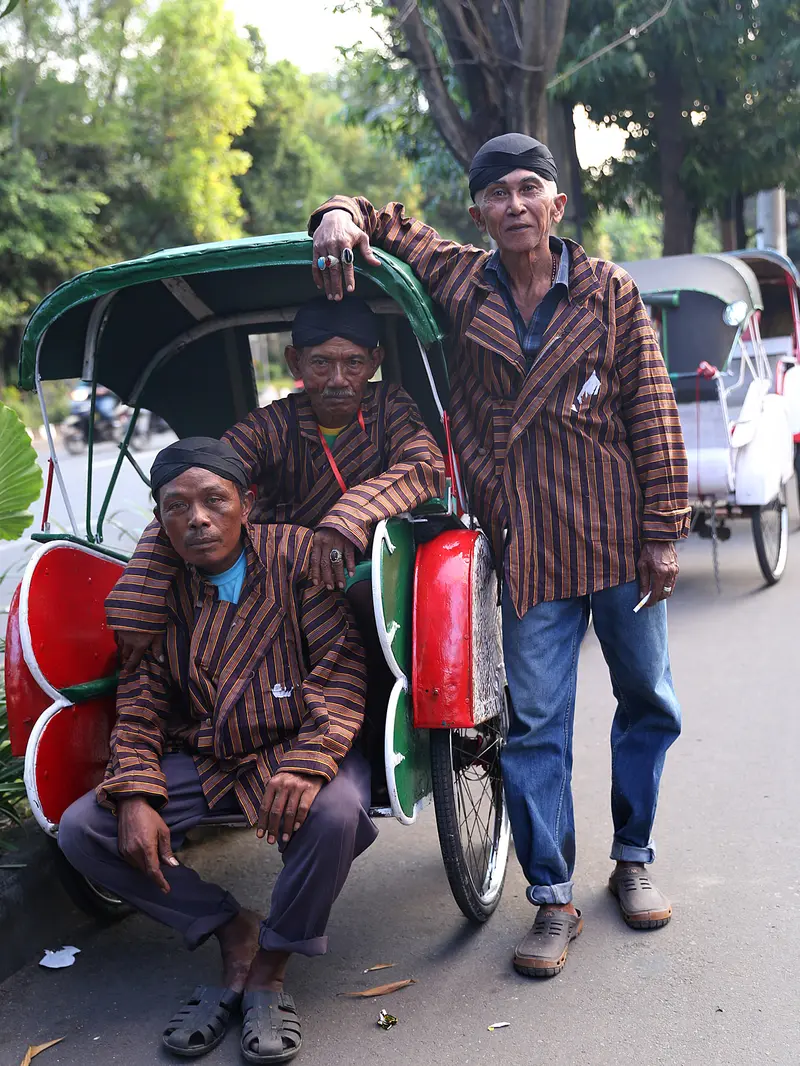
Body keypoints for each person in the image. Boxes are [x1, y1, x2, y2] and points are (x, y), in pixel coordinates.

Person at [309, 133, 689, 978]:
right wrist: (337, 214)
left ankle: (634, 855)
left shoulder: (609, 292)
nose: (516, 206)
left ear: (558, 205)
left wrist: (662, 530)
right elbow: (381, 221)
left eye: (531, 190)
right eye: (499, 194)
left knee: (647, 701)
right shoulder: (459, 277)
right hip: (527, 545)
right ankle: (552, 898)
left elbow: (653, 411)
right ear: (479, 211)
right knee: (532, 725)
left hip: (617, 536)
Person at [59, 438, 374, 1063]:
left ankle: (270, 967)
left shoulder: (295, 557)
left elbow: (340, 671)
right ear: (161, 519)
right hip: (209, 756)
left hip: (299, 742)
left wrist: (310, 763)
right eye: (177, 507)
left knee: (338, 813)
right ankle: (232, 928)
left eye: (213, 501)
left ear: (245, 504)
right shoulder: (157, 591)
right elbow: (140, 702)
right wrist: (137, 793)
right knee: (82, 829)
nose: (197, 519)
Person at [107, 294, 445, 671]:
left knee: (373, 602)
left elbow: (425, 466)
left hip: (369, 570)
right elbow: (198, 486)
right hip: (283, 577)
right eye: (320, 363)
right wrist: (139, 599)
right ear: (294, 361)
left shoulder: (391, 407)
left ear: (374, 362)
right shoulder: (270, 424)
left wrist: (349, 516)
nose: (337, 380)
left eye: (353, 363)